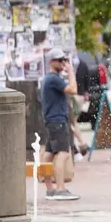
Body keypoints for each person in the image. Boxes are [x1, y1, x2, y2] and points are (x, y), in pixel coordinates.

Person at [41, 48, 79, 201]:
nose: (63, 63)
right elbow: (73, 89)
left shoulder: (49, 79)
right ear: (51, 62)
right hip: (57, 121)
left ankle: (50, 188)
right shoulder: (53, 79)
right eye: (60, 60)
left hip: (52, 120)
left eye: (64, 60)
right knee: (63, 154)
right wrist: (70, 72)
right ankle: (60, 188)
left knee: (49, 155)